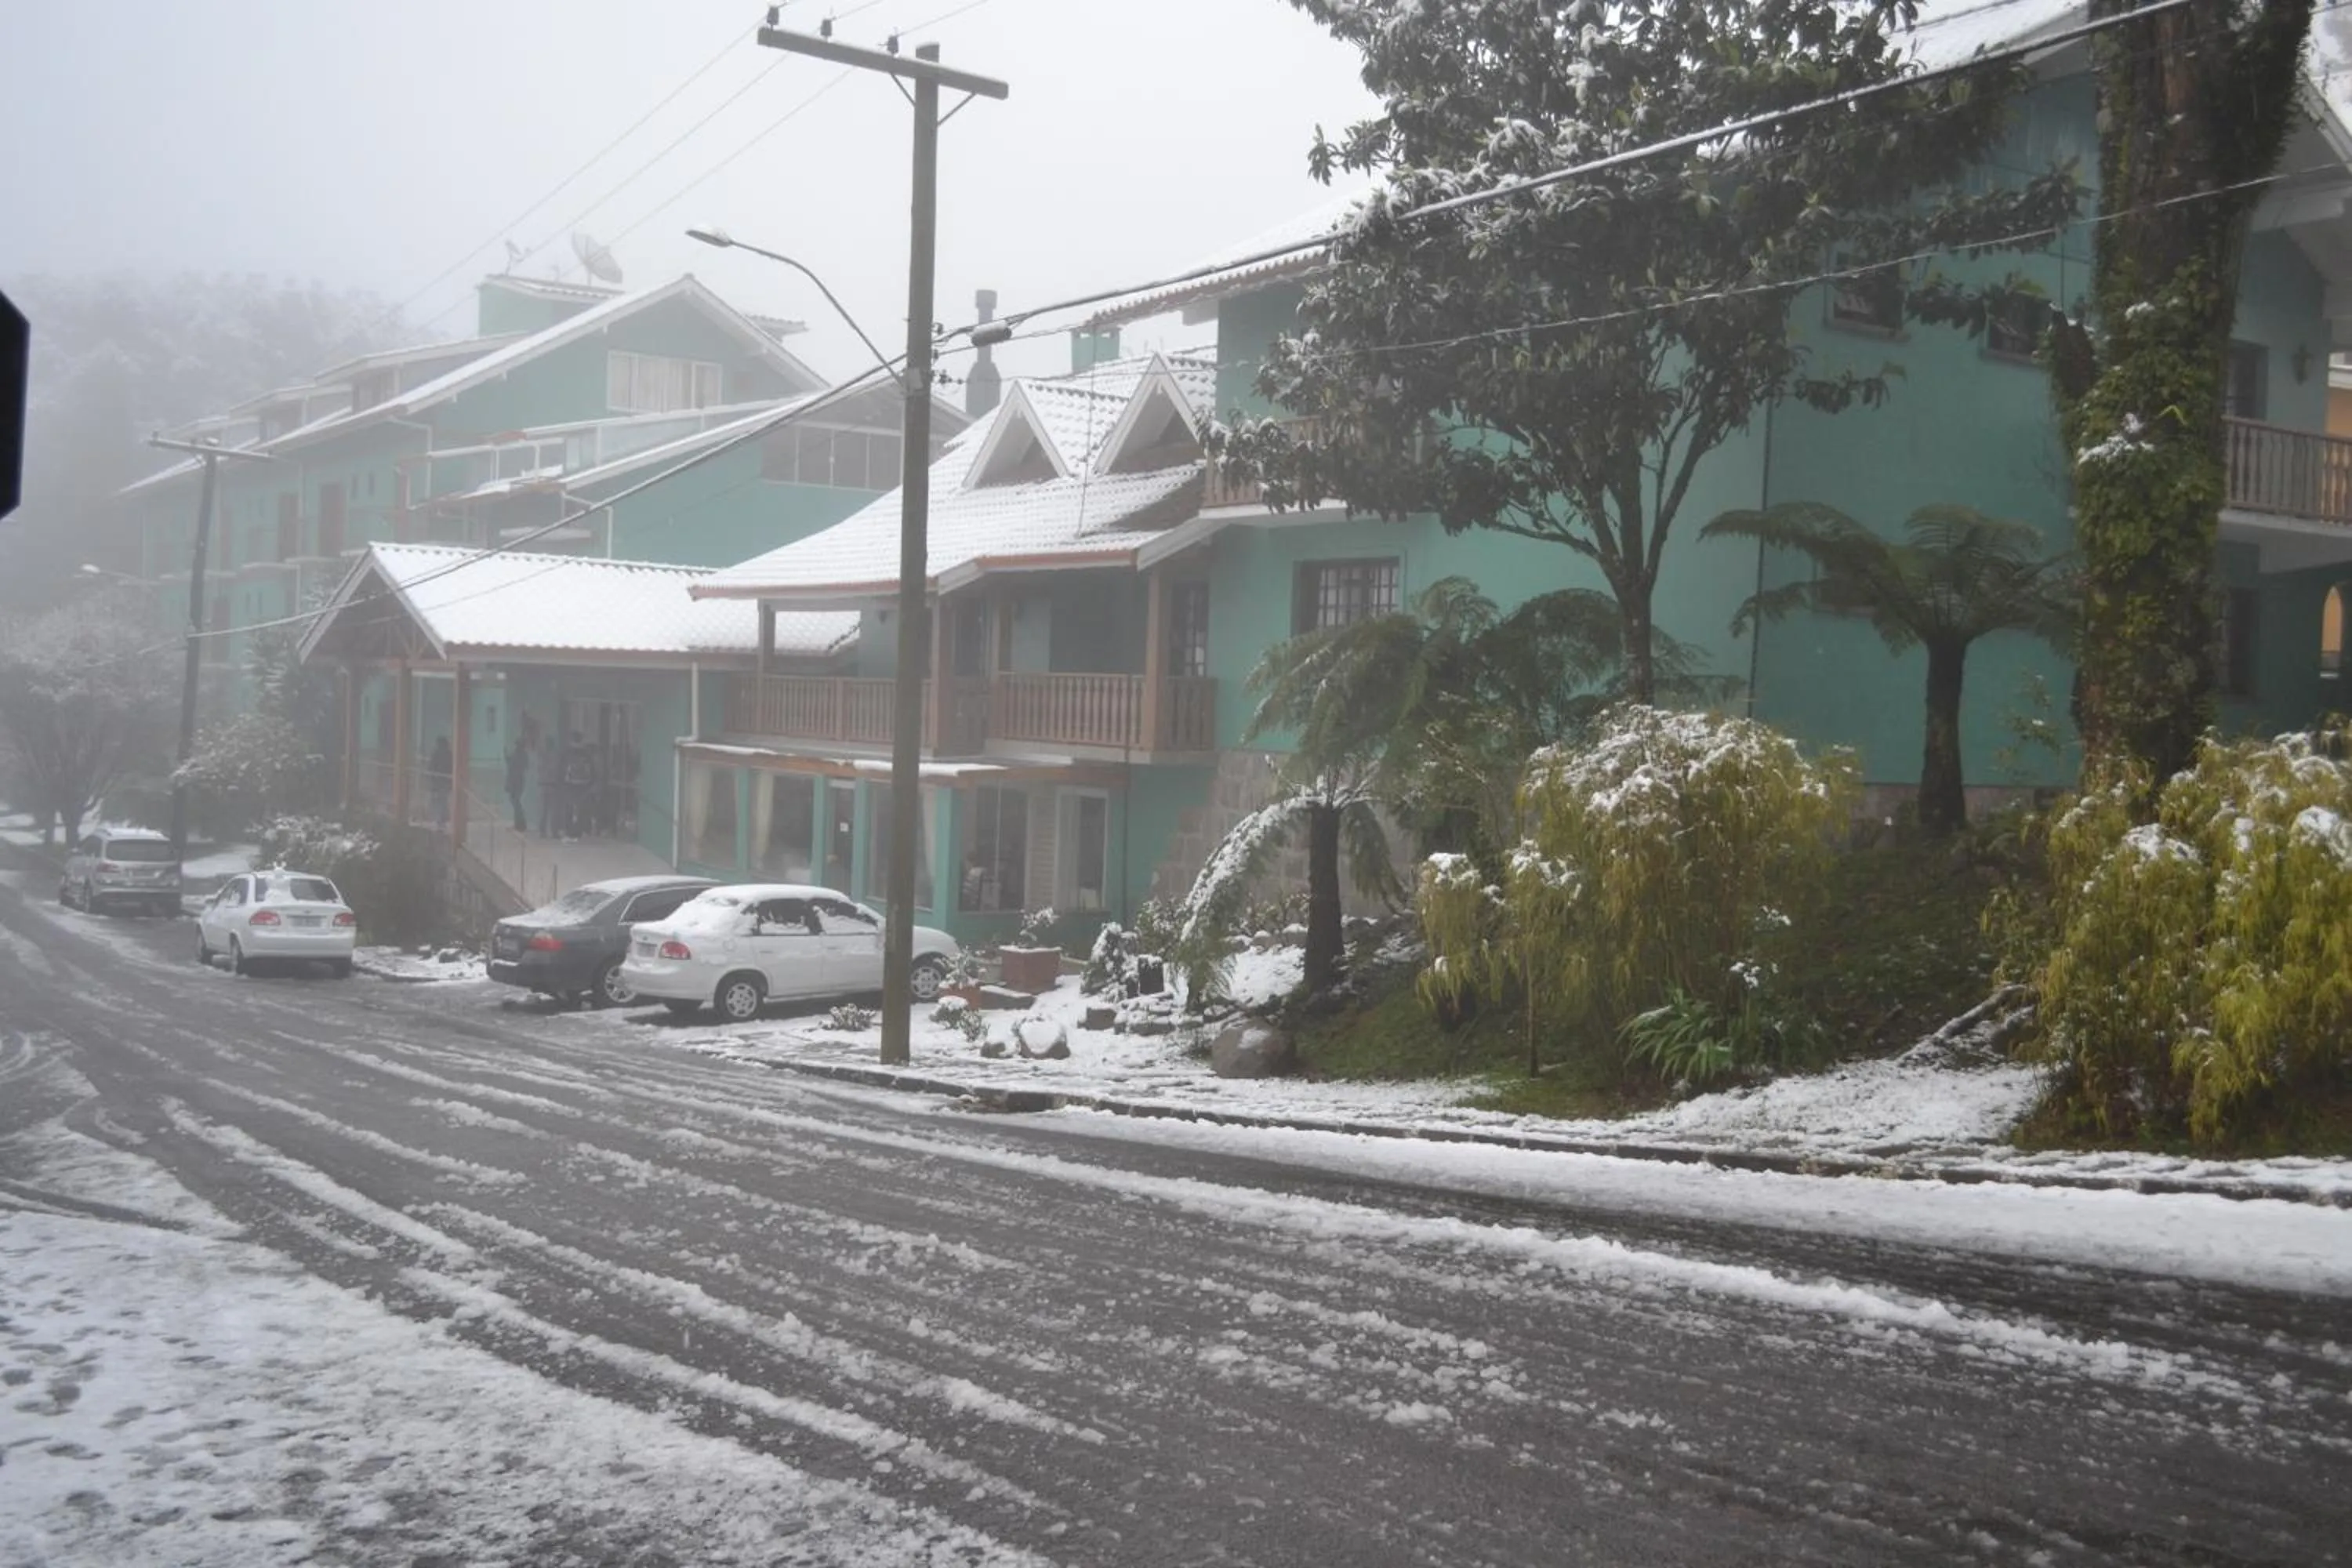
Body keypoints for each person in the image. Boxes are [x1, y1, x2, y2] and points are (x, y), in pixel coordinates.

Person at [562, 733, 595, 840]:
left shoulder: (567, 752)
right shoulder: (586, 753)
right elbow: (591, 769)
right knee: (581, 809)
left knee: (570, 808)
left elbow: (564, 768)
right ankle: (578, 830)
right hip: (583, 784)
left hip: (571, 784)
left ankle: (569, 830)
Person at [426, 735, 454, 830]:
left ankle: (440, 820)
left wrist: (432, 779)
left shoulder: (436, 753)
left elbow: (430, 767)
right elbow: (452, 768)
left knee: (439, 801)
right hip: (446, 781)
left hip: (438, 781)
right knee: (443, 801)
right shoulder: (449, 754)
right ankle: (442, 820)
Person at [538, 734, 562, 839]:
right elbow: (556, 770)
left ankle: (544, 831)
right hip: (551, 785)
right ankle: (554, 831)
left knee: (545, 810)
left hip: (544, 785)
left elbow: (539, 769)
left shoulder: (542, 756)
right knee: (552, 810)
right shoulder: (554, 756)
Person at [504, 735, 530, 832]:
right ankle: (519, 824)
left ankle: (520, 824)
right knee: (515, 801)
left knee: (516, 801)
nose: (516, 746)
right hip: (516, 780)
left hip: (517, 781)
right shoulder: (520, 754)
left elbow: (513, 766)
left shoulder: (520, 755)